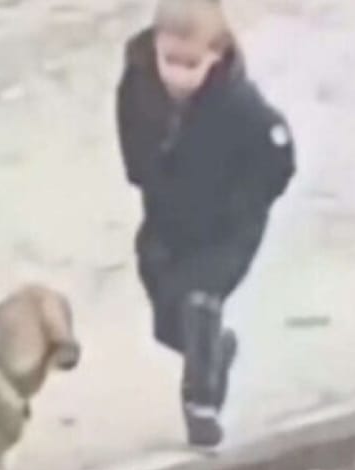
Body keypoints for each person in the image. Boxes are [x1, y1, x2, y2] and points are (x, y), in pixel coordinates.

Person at [114, 0, 295, 447]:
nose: (177, 74)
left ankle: (203, 409)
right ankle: (215, 351)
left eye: (190, 64)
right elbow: (130, 132)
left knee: (199, 301)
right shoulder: (139, 81)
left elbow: (279, 160)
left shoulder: (240, 103)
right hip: (166, 221)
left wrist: (242, 206)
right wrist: (145, 174)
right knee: (168, 326)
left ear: (216, 54)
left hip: (226, 230)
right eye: (169, 61)